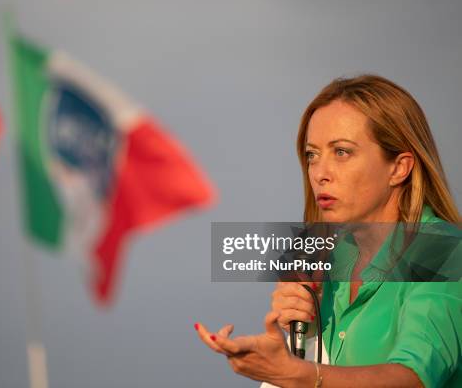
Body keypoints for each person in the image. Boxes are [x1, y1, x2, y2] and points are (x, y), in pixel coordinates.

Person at [195, 74, 461, 387]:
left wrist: (297, 374)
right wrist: (303, 336)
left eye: (342, 152)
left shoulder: (443, 249)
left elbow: (413, 377)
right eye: (312, 155)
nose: (320, 173)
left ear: (399, 167)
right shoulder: (325, 254)